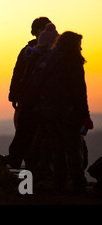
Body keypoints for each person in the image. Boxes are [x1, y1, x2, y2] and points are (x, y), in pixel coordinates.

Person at [0, 23, 59, 170]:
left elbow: (20, 75)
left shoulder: (31, 53)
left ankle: (18, 160)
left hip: (31, 100)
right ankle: (43, 166)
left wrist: (16, 94)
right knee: (47, 134)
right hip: (50, 102)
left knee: (25, 132)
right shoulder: (60, 57)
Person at [38, 31, 93, 192]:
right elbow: (79, 91)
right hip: (68, 113)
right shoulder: (73, 61)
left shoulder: (51, 58)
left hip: (49, 111)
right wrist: (85, 115)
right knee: (74, 149)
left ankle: (59, 183)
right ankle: (78, 184)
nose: (81, 48)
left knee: (58, 149)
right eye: (79, 45)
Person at [9, 16, 51, 128]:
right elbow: (18, 72)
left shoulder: (56, 52)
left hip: (41, 99)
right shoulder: (27, 52)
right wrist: (13, 94)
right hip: (30, 98)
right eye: (41, 30)